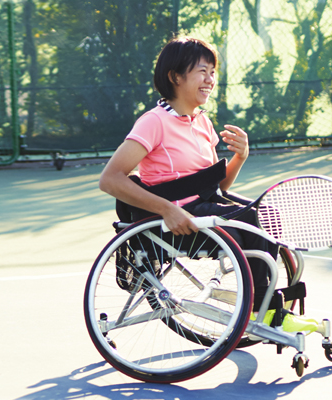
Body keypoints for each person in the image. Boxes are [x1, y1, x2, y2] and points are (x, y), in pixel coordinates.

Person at [98, 36, 315, 332]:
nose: (210, 79)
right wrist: (167, 210)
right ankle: (263, 309)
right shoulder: (153, 122)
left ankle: (262, 306)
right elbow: (110, 179)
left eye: (212, 72)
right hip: (175, 226)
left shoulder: (202, 122)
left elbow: (217, 189)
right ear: (175, 77)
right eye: (202, 71)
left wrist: (240, 156)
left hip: (205, 211)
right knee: (250, 219)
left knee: (267, 215)